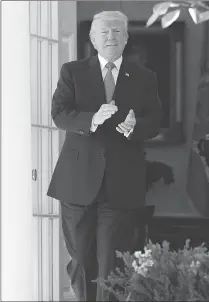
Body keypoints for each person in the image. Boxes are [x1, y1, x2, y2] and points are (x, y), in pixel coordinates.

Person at [47, 11, 163, 301]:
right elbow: (60, 114)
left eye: (116, 32)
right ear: (93, 39)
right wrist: (92, 119)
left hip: (120, 183)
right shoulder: (72, 71)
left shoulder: (144, 77)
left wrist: (136, 127)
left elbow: (155, 120)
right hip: (77, 182)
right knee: (82, 261)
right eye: (104, 32)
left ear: (126, 38)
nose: (110, 37)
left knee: (111, 262)